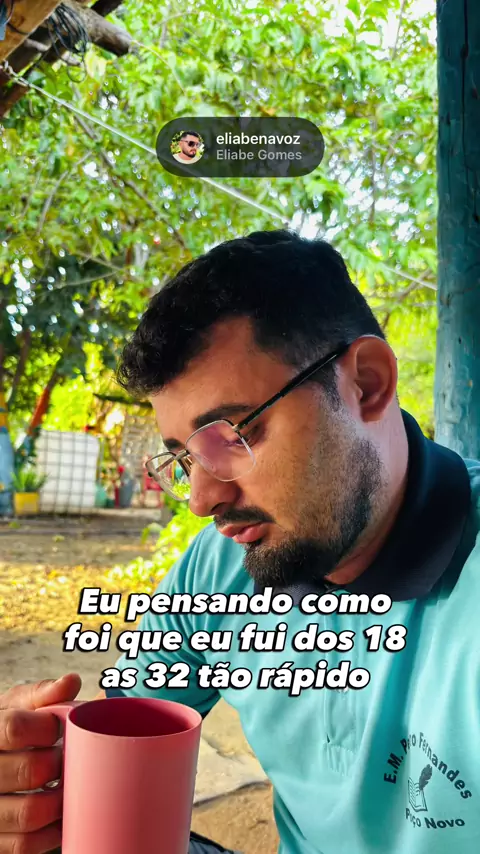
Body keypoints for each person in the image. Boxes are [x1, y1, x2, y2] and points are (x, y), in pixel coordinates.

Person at [1, 229, 479, 854]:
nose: (202, 501)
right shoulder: (222, 568)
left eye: (231, 437)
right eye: (183, 459)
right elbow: (128, 722)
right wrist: (40, 762)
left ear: (366, 383)